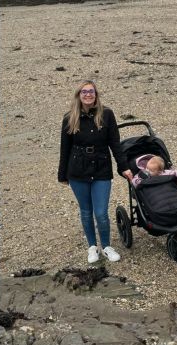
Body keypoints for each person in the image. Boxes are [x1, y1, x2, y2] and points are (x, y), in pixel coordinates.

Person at [57, 80, 133, 264]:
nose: (88, 94)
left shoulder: (106, 114)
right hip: (78, 170)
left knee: (100, 212)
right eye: (84, 92)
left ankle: (106, 246)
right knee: (86, 211)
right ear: (79, 95)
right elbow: (65, 148)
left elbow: (115, 143)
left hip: (101, 168)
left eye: (91, 91)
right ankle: (92, 246)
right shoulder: (70, 118)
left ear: (96, 95)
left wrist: (124, 167)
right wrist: (62, 175)